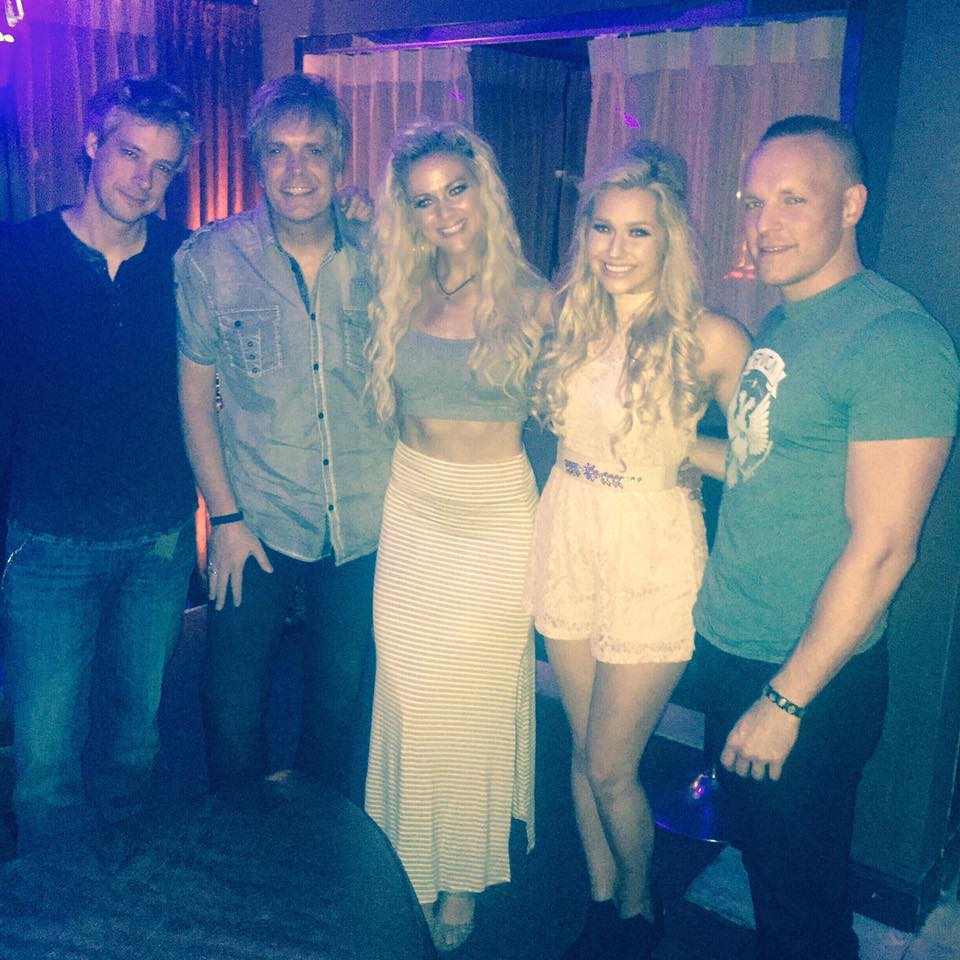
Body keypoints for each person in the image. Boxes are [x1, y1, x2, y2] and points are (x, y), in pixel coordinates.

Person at [694, 115, 959, 960]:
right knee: (768, 872)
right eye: (753, 201)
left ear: (851, 205)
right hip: (738, 644)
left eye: (792, 200)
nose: (763, 222)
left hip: (805, 676)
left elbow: (884, 549)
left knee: (804, 911)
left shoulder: (895, 342)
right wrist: (672, 448)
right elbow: (761, 464)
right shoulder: (783, 325)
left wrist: (785, 701)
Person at [526, 143, 750, 959]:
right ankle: (600, 899)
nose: (615, 249)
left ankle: (638, 904)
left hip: (651, 546)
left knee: (612, 765)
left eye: (638, 232)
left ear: (669, 239)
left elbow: (765, 458)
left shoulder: (711, 336)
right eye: (602, 228)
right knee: (583, 750)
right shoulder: (566, 317)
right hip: (569, 527)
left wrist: (685, 449)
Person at [175, 74, 392, 803]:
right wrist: (225, 519)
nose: (296, 170)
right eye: (278, 151)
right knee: (229, 706)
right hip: (257, 521)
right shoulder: (210, 260)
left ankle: (317, 844)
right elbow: (194, 399)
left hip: (363, 523)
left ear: (340, 160)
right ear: (257, 161)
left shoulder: (386, 255)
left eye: (314, 151)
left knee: (337, 705)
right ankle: (245, 845)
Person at [0, 77, 199, 851]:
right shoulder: (17, 255)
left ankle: (120, 890)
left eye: (163, 165)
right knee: (44, 760)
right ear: (91, 143)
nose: (144, 179)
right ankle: (55, 901)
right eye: (129, 153)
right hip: (48, 544)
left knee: (133, 742)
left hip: (158, 543)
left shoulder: (188, 262)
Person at [363, 120, 547, 953]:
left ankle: (463, 878)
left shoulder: (536, 299)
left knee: (471, 702)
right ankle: (405, 856)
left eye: (456, 190)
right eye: (422, 200)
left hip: (496, 513)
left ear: (484, 191)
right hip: (413, 504)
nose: (443, 212)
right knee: (407, 693)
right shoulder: (397, 290)